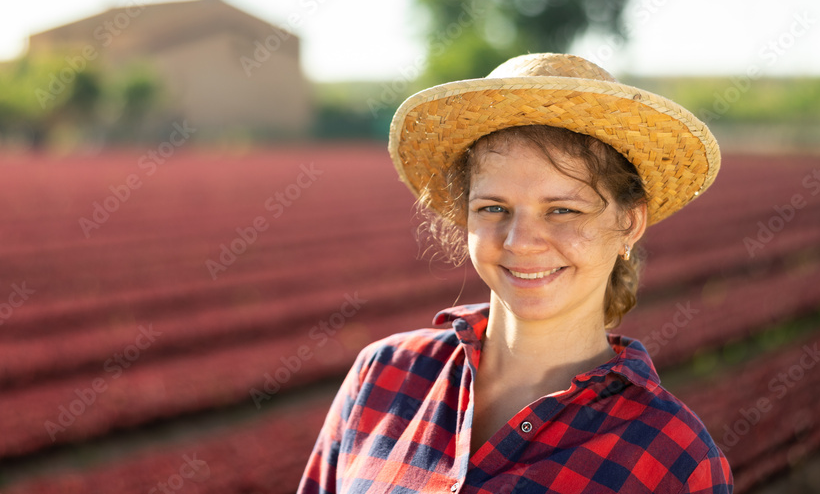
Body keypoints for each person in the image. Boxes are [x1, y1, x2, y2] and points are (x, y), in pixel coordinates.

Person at [297, 53, 733, 493]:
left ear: (630, 224)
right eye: (493, 208)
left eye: (563, 209)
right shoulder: (386, 375)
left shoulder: (675, 458)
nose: (520, 241)